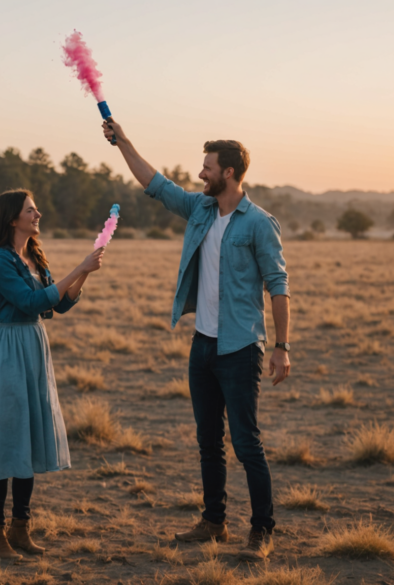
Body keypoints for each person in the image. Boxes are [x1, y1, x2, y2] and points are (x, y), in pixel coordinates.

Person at [102, 120, 290, 561]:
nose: (200, 174)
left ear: (228, 173)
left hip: (240, 348)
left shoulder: (259, 224)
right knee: (208, 441)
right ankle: (213, 522)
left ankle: (262, 531)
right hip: (202, 344)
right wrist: (124, 143)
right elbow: (156, 184)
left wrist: (282, 347)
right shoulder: (202, 211)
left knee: (246, 443)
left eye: (207, 168)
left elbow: (278, 285)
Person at [0, 190, 104, 560]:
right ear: (13, 218)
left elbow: (59, 304)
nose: (37, 213)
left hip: (34, 345)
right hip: (9, 348)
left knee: (26, 434)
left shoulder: (33, 256)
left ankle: (20, 528)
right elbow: (29, 302)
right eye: (30, 209)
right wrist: (79, 267)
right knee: (5, 436)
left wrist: (83, 276)